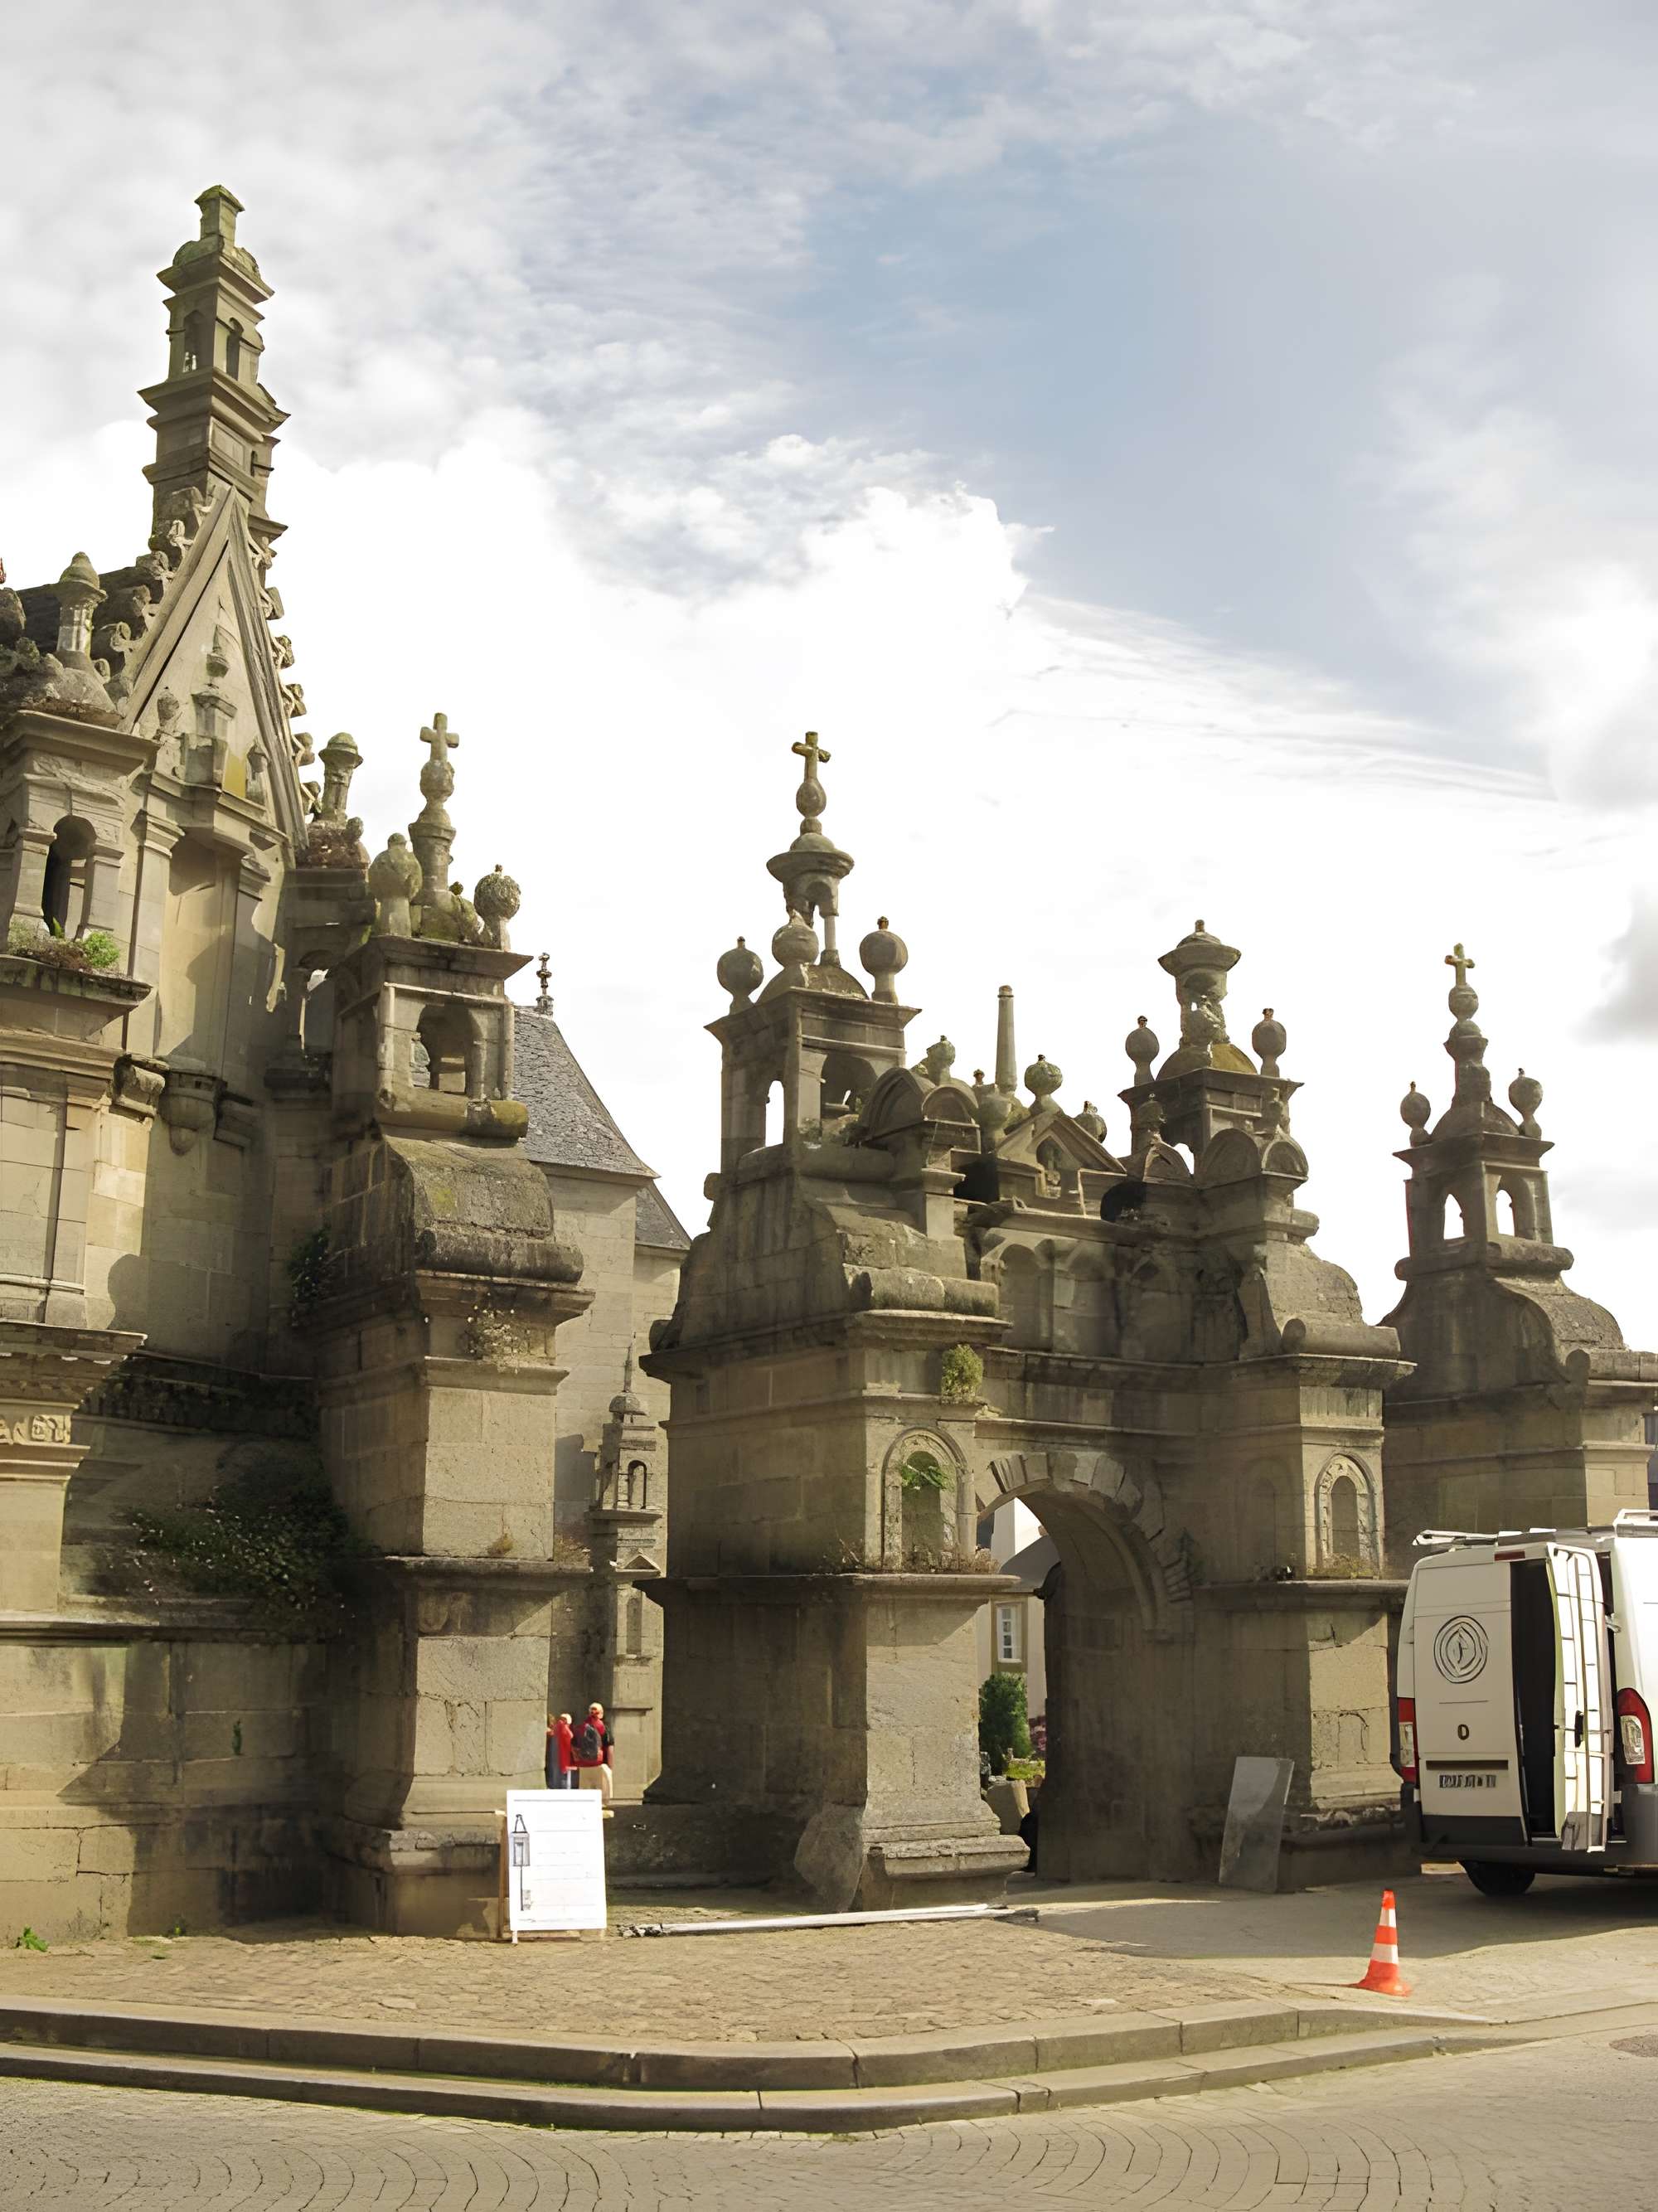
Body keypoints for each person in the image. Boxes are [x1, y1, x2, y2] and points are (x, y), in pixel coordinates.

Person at [571, 1701, 613, 1799]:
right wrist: (610, 1766)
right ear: (601, 1714)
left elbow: (574, 1746)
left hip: (584, 1766)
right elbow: (610, 1748)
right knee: (601, 1795)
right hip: (599, 1765)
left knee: (586, 1796)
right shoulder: (603, 1728)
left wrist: (578, 1761)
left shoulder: (581, 1727)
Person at [545, 1710, 574, 1790]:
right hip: (560, 1754)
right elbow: (570, 1736)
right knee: (558, 1772)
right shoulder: (562, 1727)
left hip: (557, 1754)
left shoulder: (559, 1727)